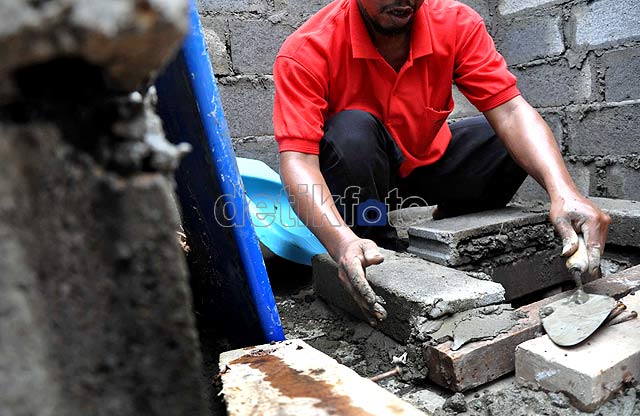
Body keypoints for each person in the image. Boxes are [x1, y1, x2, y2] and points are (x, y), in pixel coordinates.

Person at [272, 0, 610, 326]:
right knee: (351, 131)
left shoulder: (455, 22)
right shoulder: (307, 49)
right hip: (359, 180)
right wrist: (340, 242)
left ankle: (446, 218)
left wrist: (564, 192)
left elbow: (511, 111)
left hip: (424, 165)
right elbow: (299, 160)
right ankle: (373, 249)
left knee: (502, 140)